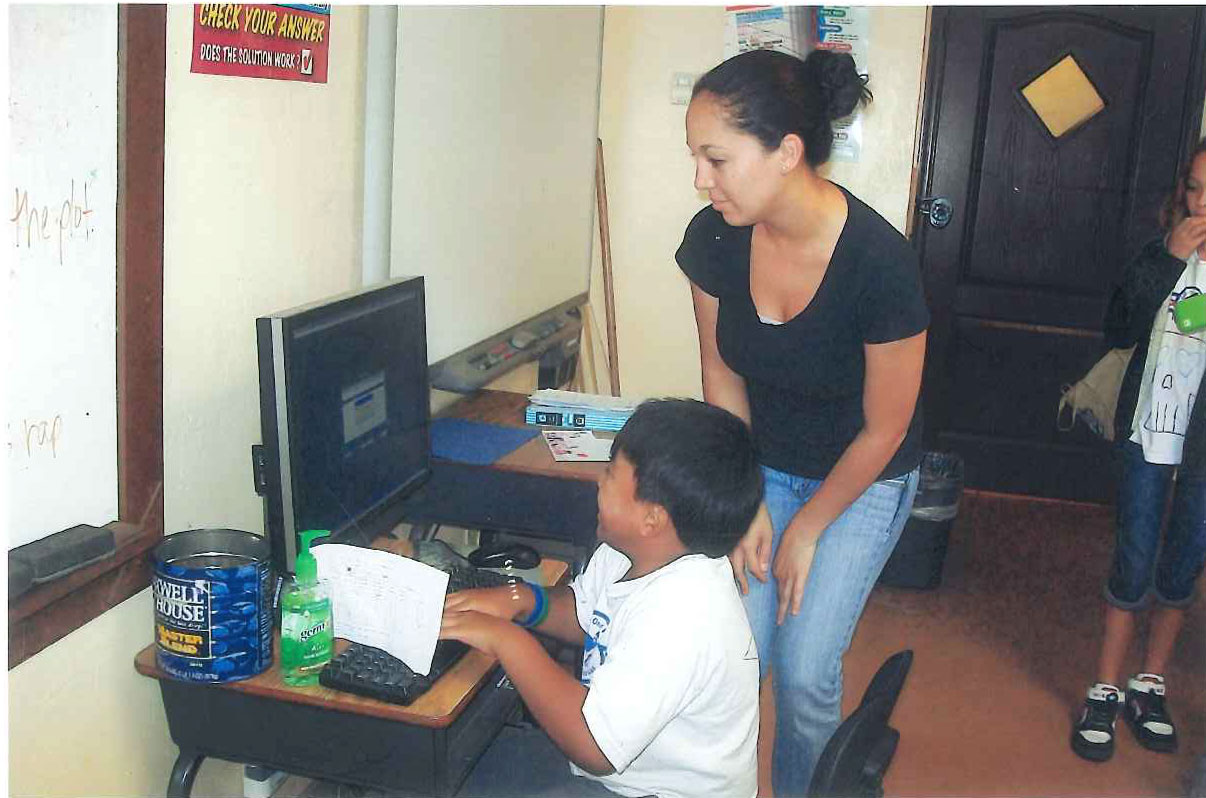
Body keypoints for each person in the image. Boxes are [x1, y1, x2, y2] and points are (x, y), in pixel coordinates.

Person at [676, 48, 930, 795]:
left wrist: (809, 527)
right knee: (740, 652)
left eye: (716, 158)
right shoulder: (716, 237)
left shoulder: (879, 262)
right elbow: (721, 372)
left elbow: (885, 428)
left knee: (807, 669)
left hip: (863, 475)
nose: (700, 179)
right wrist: (747, 496)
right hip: (763, 462)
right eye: (695, 157)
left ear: (787, 152)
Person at [443, 398, 764, 798]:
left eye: (612, 473)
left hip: (641, 786)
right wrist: (521, 600)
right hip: (616, 770)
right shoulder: (630, 553)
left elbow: (594, 748)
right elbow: (587, 615)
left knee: (456, 775)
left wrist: (507, 640)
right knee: (457, 765)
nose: (599, 480)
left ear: (653, 518)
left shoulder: (683, 615)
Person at [1070, 140, 1206, 763]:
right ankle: (1104, 688)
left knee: (1184, 561)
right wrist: (1165, 262)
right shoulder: (1161, 253)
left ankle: (1148, 683)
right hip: (1149, 431)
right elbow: (1119, 327)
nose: (1202, 203)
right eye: (1196, 188)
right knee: (1134, 550)